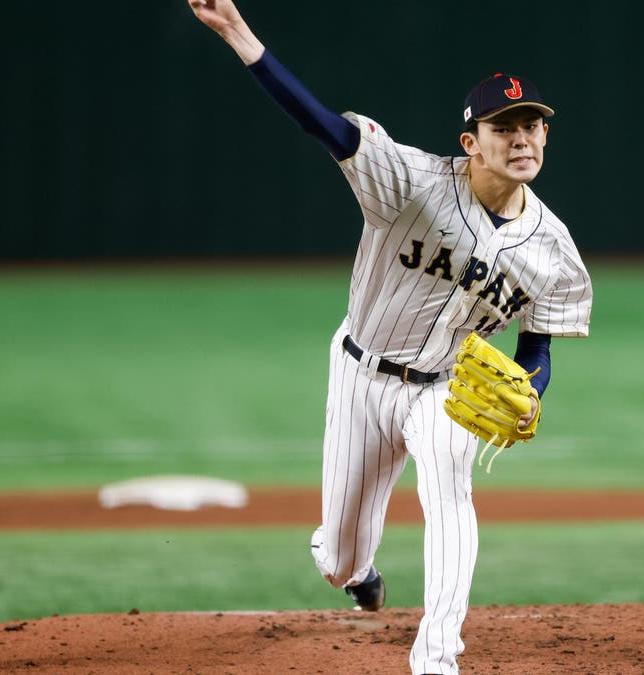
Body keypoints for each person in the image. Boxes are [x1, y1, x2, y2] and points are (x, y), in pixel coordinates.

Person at [187, 2, 593, 673]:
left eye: (533, 125)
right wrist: (238, 32)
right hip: (360, 373)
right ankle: (358, 569)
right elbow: (320, 123)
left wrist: (532, 388)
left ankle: (437, 657)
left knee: (450, 489)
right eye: (505, 126)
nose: (524, 137)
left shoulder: (554, 251)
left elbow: (537, 349)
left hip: (444, 390)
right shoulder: (408, 181)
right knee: (338, 554)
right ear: (472, 142)